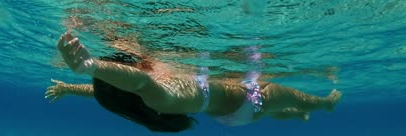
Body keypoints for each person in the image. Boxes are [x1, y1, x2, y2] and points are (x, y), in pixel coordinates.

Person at [46, 32, 341, 132]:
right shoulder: (158, 94)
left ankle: (298, 115)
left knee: (276, 110)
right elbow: (137, 83)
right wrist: (90, 65)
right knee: (277, 93)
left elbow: (99, 92)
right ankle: (323, 105)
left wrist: (69, 88)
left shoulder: (154, 98)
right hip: (247, 101)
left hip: (234, 114)